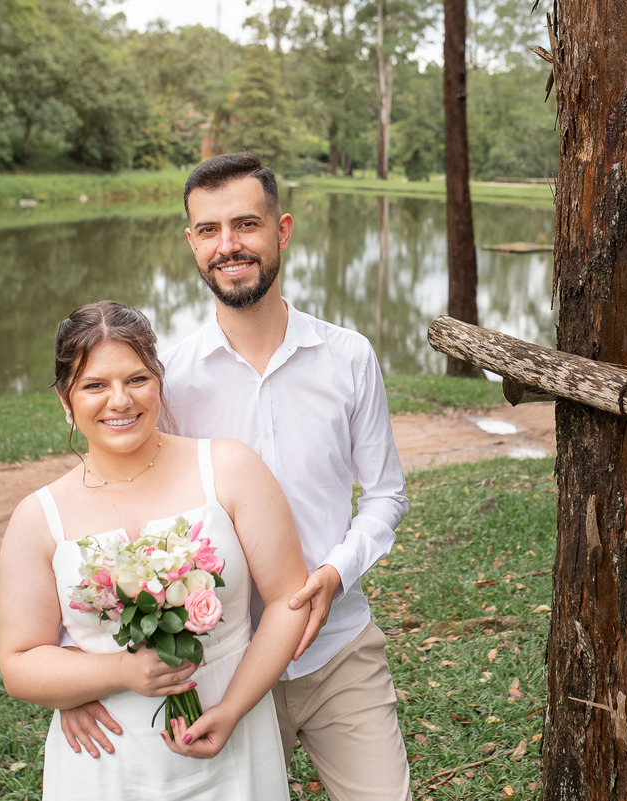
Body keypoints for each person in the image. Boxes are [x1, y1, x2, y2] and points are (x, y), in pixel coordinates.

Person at [61, 153, 413, 800]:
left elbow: (387, 495)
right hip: (224, 661)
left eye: (246, 225)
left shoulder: (349, 358)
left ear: (281, 230)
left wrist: (336, 572)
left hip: (339, 650)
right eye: (210, 230)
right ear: (191, 242)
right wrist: (77, 669)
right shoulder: (169, 378)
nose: (229, 246)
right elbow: (116, 510)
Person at [0, 300, 309, 800]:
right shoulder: (38, 519)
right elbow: (19, 663)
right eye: (95, 385)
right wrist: (117, 672)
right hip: (107, 762)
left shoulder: (228, 468)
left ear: (160, 380)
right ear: (65, 399)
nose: (119, 400)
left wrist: (232, 708)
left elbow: (289, 600)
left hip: (234, 742)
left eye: (136, 379)